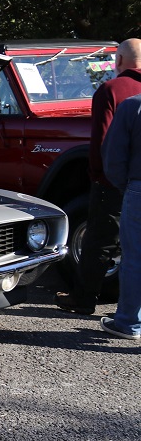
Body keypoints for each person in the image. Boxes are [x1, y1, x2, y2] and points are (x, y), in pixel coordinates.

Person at [55, 38, 141, 314]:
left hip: (114, 179)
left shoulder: (111, 89)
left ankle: (85, 298)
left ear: (118, 62)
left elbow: (102, 140)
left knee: (100, 241)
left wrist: (98, 175)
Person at [101, 92, 141, 340]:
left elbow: (113, 155)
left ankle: (129, 322)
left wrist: (126, 187)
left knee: (135, 258)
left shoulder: (133, 106)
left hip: (139, 186)